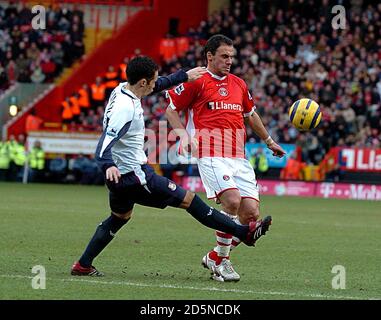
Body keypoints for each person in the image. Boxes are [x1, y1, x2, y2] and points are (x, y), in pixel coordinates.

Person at [71, 56, 272, 277]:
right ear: (143, 83)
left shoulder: (122, 89)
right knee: (190, 200)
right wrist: (107, 164)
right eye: (153, 81)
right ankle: (243, 232)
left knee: (119, 217)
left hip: (121, 178)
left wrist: (184, 76)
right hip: (136, 176)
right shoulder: (125, 109)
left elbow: (160, 84)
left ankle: (83, 265)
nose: (156, 84)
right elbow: (104, 144)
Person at [166, 35, 285, 282]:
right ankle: (224, 262)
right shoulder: (195, 80)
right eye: (224, 56)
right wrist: (183, 136)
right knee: (231, 201)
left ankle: (215, 256)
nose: (229, 61)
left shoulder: (239, 84)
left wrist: (269, 141)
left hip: (238, 156)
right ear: (209, 56)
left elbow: (251, 115)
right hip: (210, 153)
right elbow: (171, 110)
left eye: (232, 56)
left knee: (250, 213)